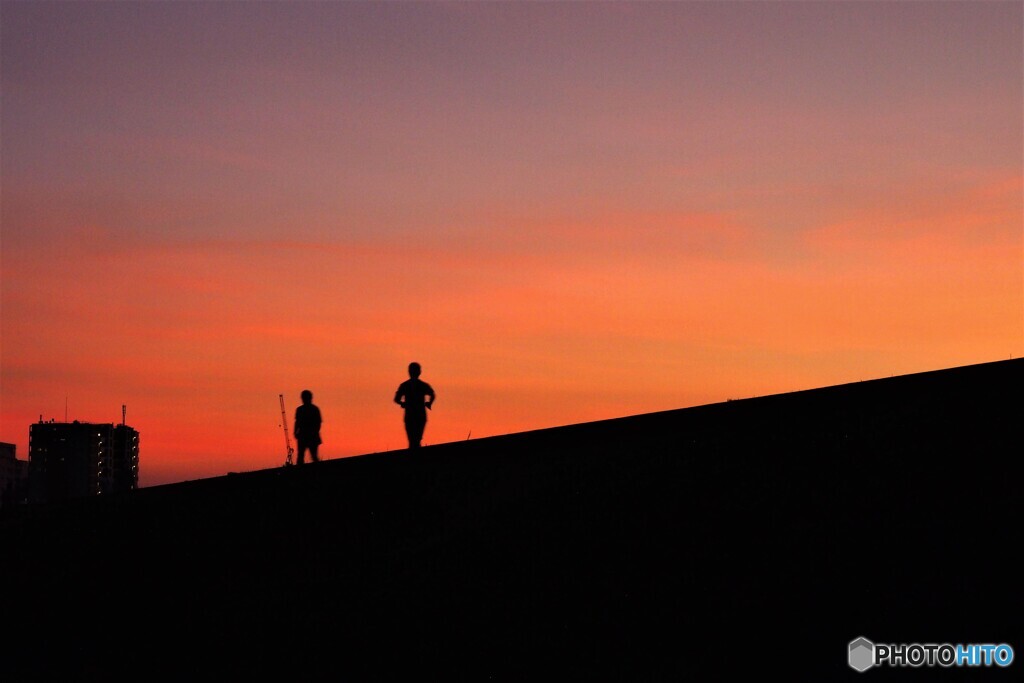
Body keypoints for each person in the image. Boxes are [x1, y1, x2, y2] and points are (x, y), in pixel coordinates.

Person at [393, 362, 435, 449]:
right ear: (419, 372)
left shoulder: (405, 385)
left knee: (412, 440)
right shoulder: (422, 385)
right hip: (420, 415)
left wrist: (402, 403)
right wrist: (429, 403)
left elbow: (396, 399)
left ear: (409, 372)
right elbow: (432, 394)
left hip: (410, 415)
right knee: (416, 439)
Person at [294, 389, 322, 464]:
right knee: (302, 456)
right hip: (305, 436)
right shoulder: (312, 409)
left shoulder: (303, 410)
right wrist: (296, 432)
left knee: (311, 456)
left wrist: (296, 432)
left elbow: (318, 423)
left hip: (308, 436)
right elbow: (297, 422)